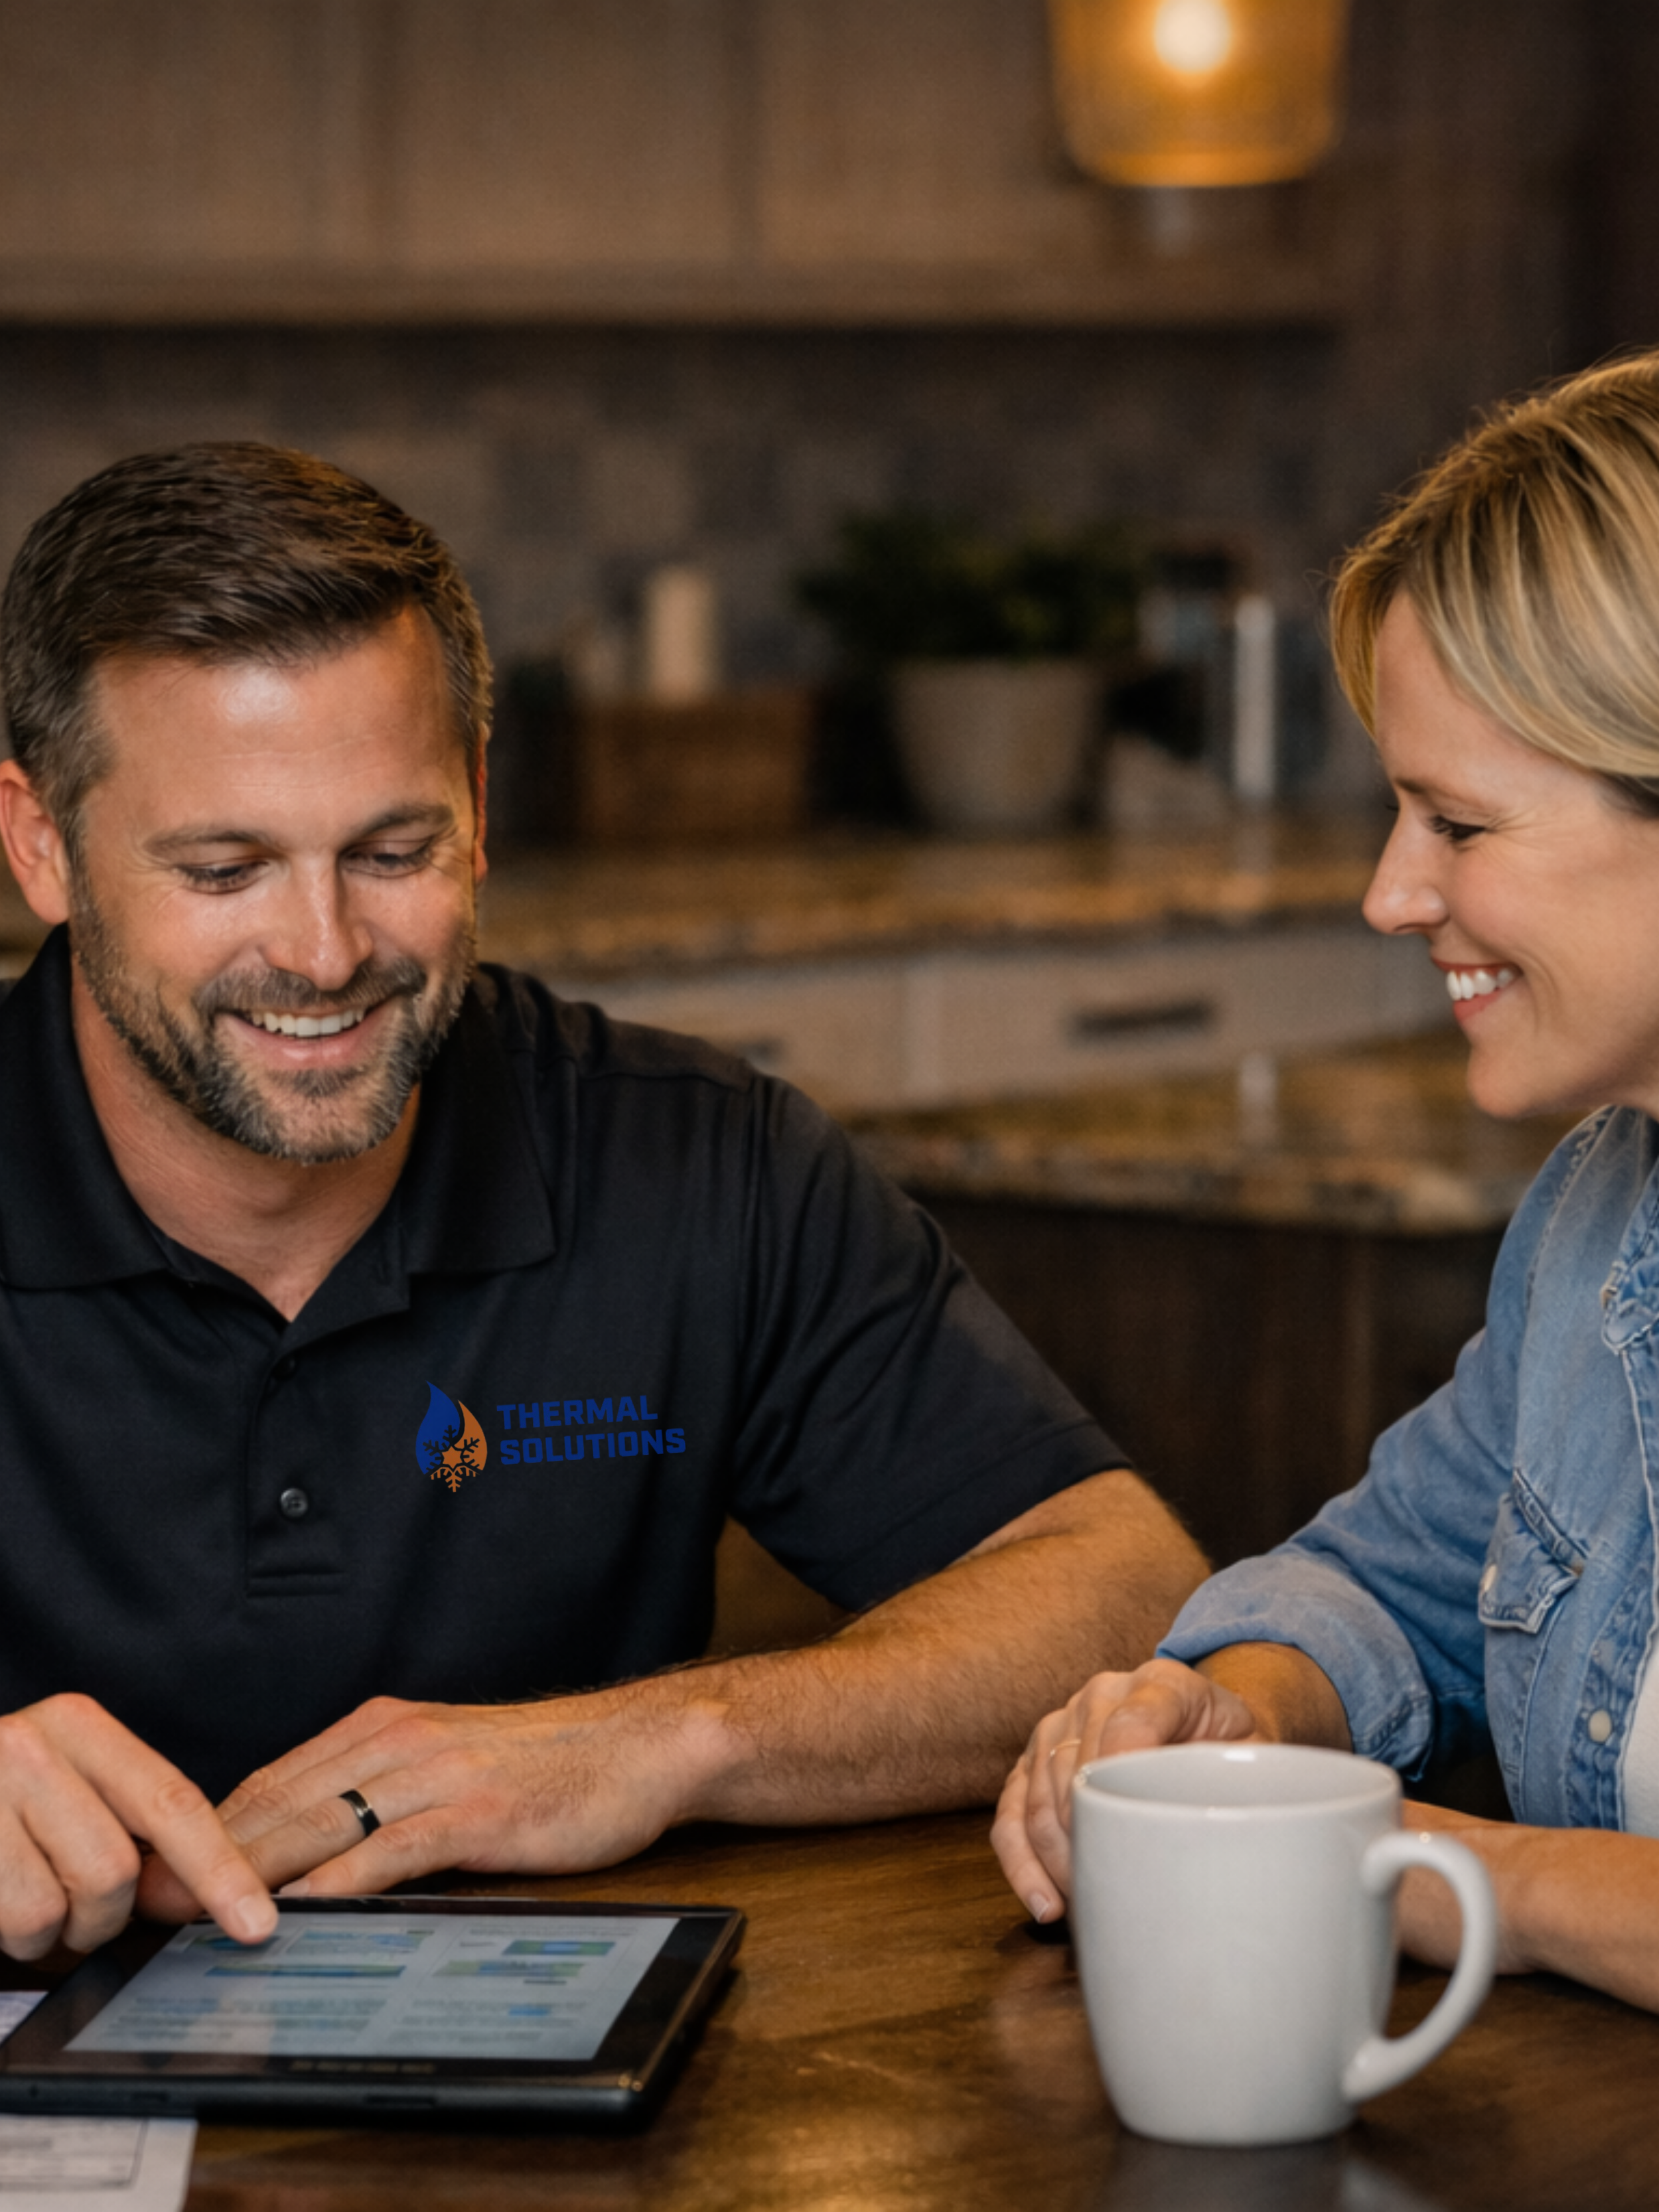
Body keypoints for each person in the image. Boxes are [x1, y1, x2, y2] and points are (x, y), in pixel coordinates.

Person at [0, 442, 1206, 1966]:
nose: (321, 951)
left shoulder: (695, 1158)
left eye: (393, 849)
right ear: (41, 842)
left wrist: (663, 1738)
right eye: (224, 868)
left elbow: (1126, 1589)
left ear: (480, 811)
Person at [991, 350, 1659, 2012]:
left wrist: (1379, 1859)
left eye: (1455, 822)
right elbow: (1386, 1582)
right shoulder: (1595, 1219)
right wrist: (1235, 1710)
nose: (1386, 893)